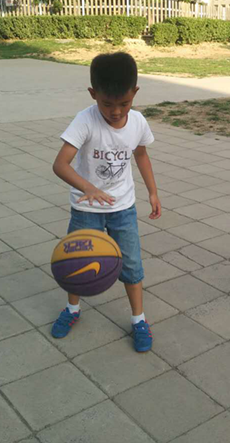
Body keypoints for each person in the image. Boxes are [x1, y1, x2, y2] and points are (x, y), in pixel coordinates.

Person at [51, 52, 161, 352]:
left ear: (135, 93)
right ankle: (72, 309)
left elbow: (141, 155)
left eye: (124, 103)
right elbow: (60, 164)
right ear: (93, 94)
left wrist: (152, 191)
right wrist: (88, 188)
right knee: (75, 262)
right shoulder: (84, 120)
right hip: (86, 209)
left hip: (123, 208)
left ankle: (138, 319)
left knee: (132, 265)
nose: (115, 112)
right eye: (107, 104)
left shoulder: (137, 121)